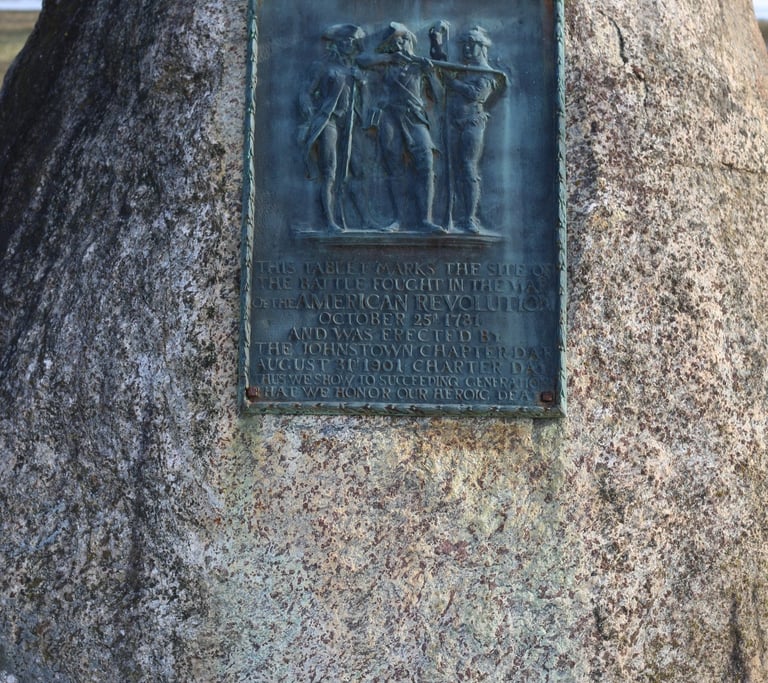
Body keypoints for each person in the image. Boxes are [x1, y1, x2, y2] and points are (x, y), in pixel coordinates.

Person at [362, 22, 445, 234]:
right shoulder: (386, 64)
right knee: (395, 167)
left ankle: (425, 220)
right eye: (396, 40)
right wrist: (389, 58)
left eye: (404, 39)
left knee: (426, 163)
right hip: (389, 117)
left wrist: (432, 73)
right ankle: (398, 219)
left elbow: (439, 97)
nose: (400, 44)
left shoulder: (420, 66)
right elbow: (362, 61)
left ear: (411, 41)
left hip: (415, 117)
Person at [299, 24, 367, 233]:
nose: (347, 44)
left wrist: (362, 83)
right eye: (343, 40)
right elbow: (305, 93)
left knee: (356, 170)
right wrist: (310, 111)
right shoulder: (323, 65)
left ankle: (360, 218)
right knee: (329, 171)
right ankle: (329, 221)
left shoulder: (356, 69)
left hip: (350, 124)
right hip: (329, 121)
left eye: (351, 41)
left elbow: (364, 103)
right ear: (336, 43)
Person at [444, 26, 506, 233]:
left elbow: (477, 95)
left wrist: (453, 84)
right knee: (453, 168)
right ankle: (451, 216)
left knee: (468, 168)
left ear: (481, 47)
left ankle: (470, 218)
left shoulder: (487, 72)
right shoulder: (463, 69)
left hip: (473, 123)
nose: (467, 48)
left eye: (472, 45)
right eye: (464, 45)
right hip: (454, 123)